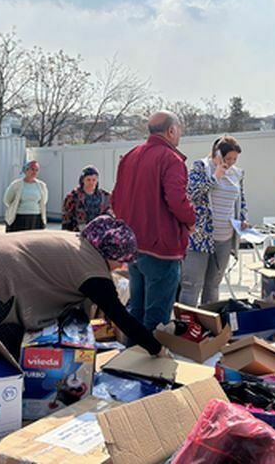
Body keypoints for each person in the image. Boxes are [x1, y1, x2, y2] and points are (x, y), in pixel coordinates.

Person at [0, 215, 166, 358]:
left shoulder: (80, 242)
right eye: (121, 259)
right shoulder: (92, 269)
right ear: (110, 251)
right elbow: (121, 316)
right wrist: (157, 349)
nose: (121, 266)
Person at [111, 111, 196, 330]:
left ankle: (130, 359)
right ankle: (149, 361)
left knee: (137, 311)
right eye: (179, 130)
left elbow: (116, 199)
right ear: (171, 130)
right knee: (156, 318)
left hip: (134, 246)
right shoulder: (171, 159)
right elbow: (177, 200)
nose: (180, 135)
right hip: (161, 248)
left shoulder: (131, 156)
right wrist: (191, 219)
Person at [181, 136, 248, 307]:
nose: (231, 163)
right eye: (228, 158)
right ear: (217, 154)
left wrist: (242, 218)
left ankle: (209, 325)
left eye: (234, 159)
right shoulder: (201, 167)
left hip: (225, 237)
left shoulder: (237, 174)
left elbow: (241, 200)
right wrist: (215, 177)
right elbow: (192, 193)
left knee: (213, 285)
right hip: (201, 237)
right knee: (192, 285)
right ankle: (185, 325)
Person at [61, 165, 112, 232]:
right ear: (82, 180)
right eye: (88, 180)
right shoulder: (73, 197)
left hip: (99, 233)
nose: (91, 183)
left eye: (94, 180)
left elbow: (110, 215)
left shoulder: (105, 196)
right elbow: (66, 219)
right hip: (78, 233)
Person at [4, 160, 48, 232]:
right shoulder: (16, 185)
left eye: (36, 170)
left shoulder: (42, 186)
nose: (34, 172)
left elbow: (44, 201)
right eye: (32, 169)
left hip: (36, 218)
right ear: (26, 170)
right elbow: (7, 200)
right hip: (19, 217)